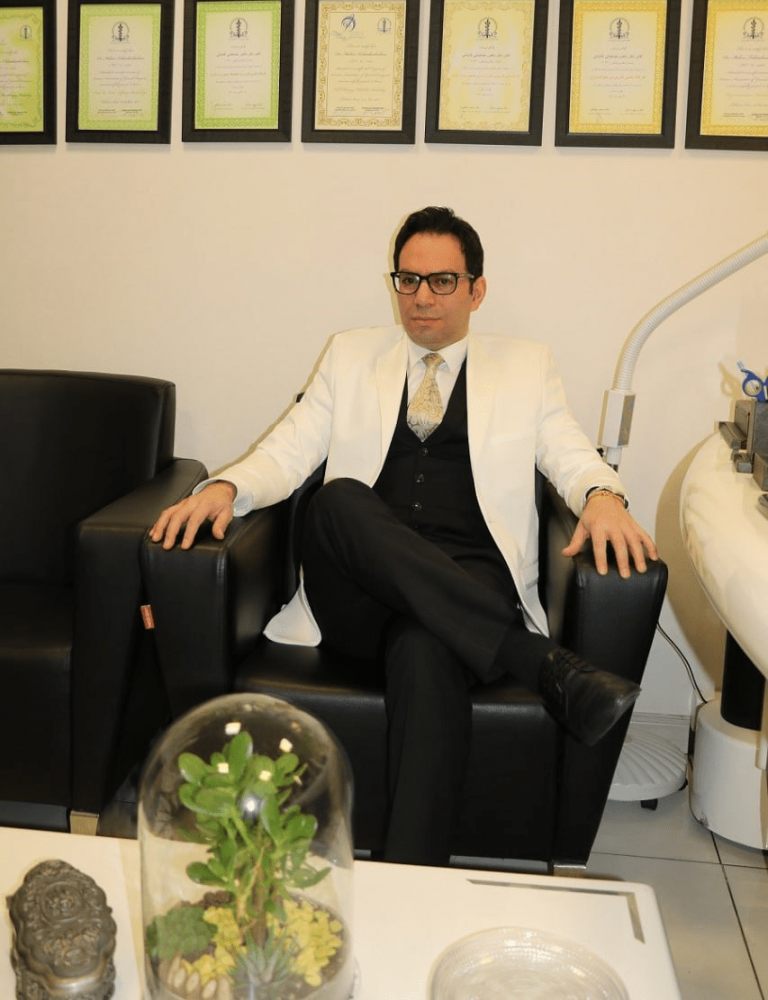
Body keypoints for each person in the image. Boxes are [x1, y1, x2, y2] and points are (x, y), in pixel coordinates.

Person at [151, 206, 658, 865]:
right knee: (337, 500)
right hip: (358, 595)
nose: (422, 297)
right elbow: (288, 450)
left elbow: (568, 450)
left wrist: (603, 495)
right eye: (409, 280)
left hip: (469, 582)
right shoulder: (350, 355)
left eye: (442, 281)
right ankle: (535, 659)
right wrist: (224, 487)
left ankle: (414, 879)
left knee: (427, 646)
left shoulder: (526, 366)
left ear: (477, 289)